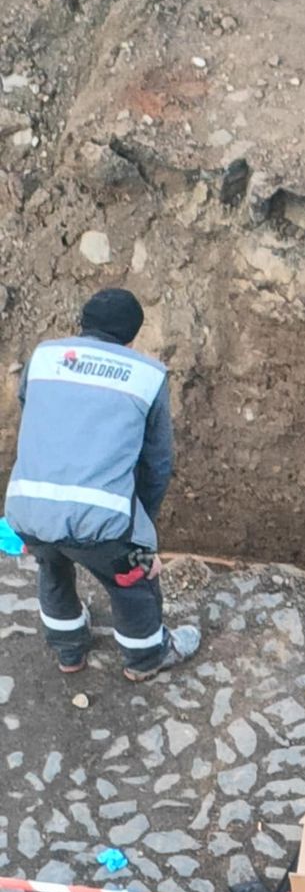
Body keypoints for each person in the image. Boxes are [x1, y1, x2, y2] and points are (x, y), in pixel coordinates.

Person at [4, 288, 200, 681]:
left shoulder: (44, 356)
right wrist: (142, 534)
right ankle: (146, 658)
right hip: (102, 525)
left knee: (53, 565)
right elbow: (156, 463)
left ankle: (68, 651)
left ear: (83, 322)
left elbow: (34, 413)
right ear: (133, 335)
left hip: (27, 511)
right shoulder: (147, 376)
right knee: (134, 581)